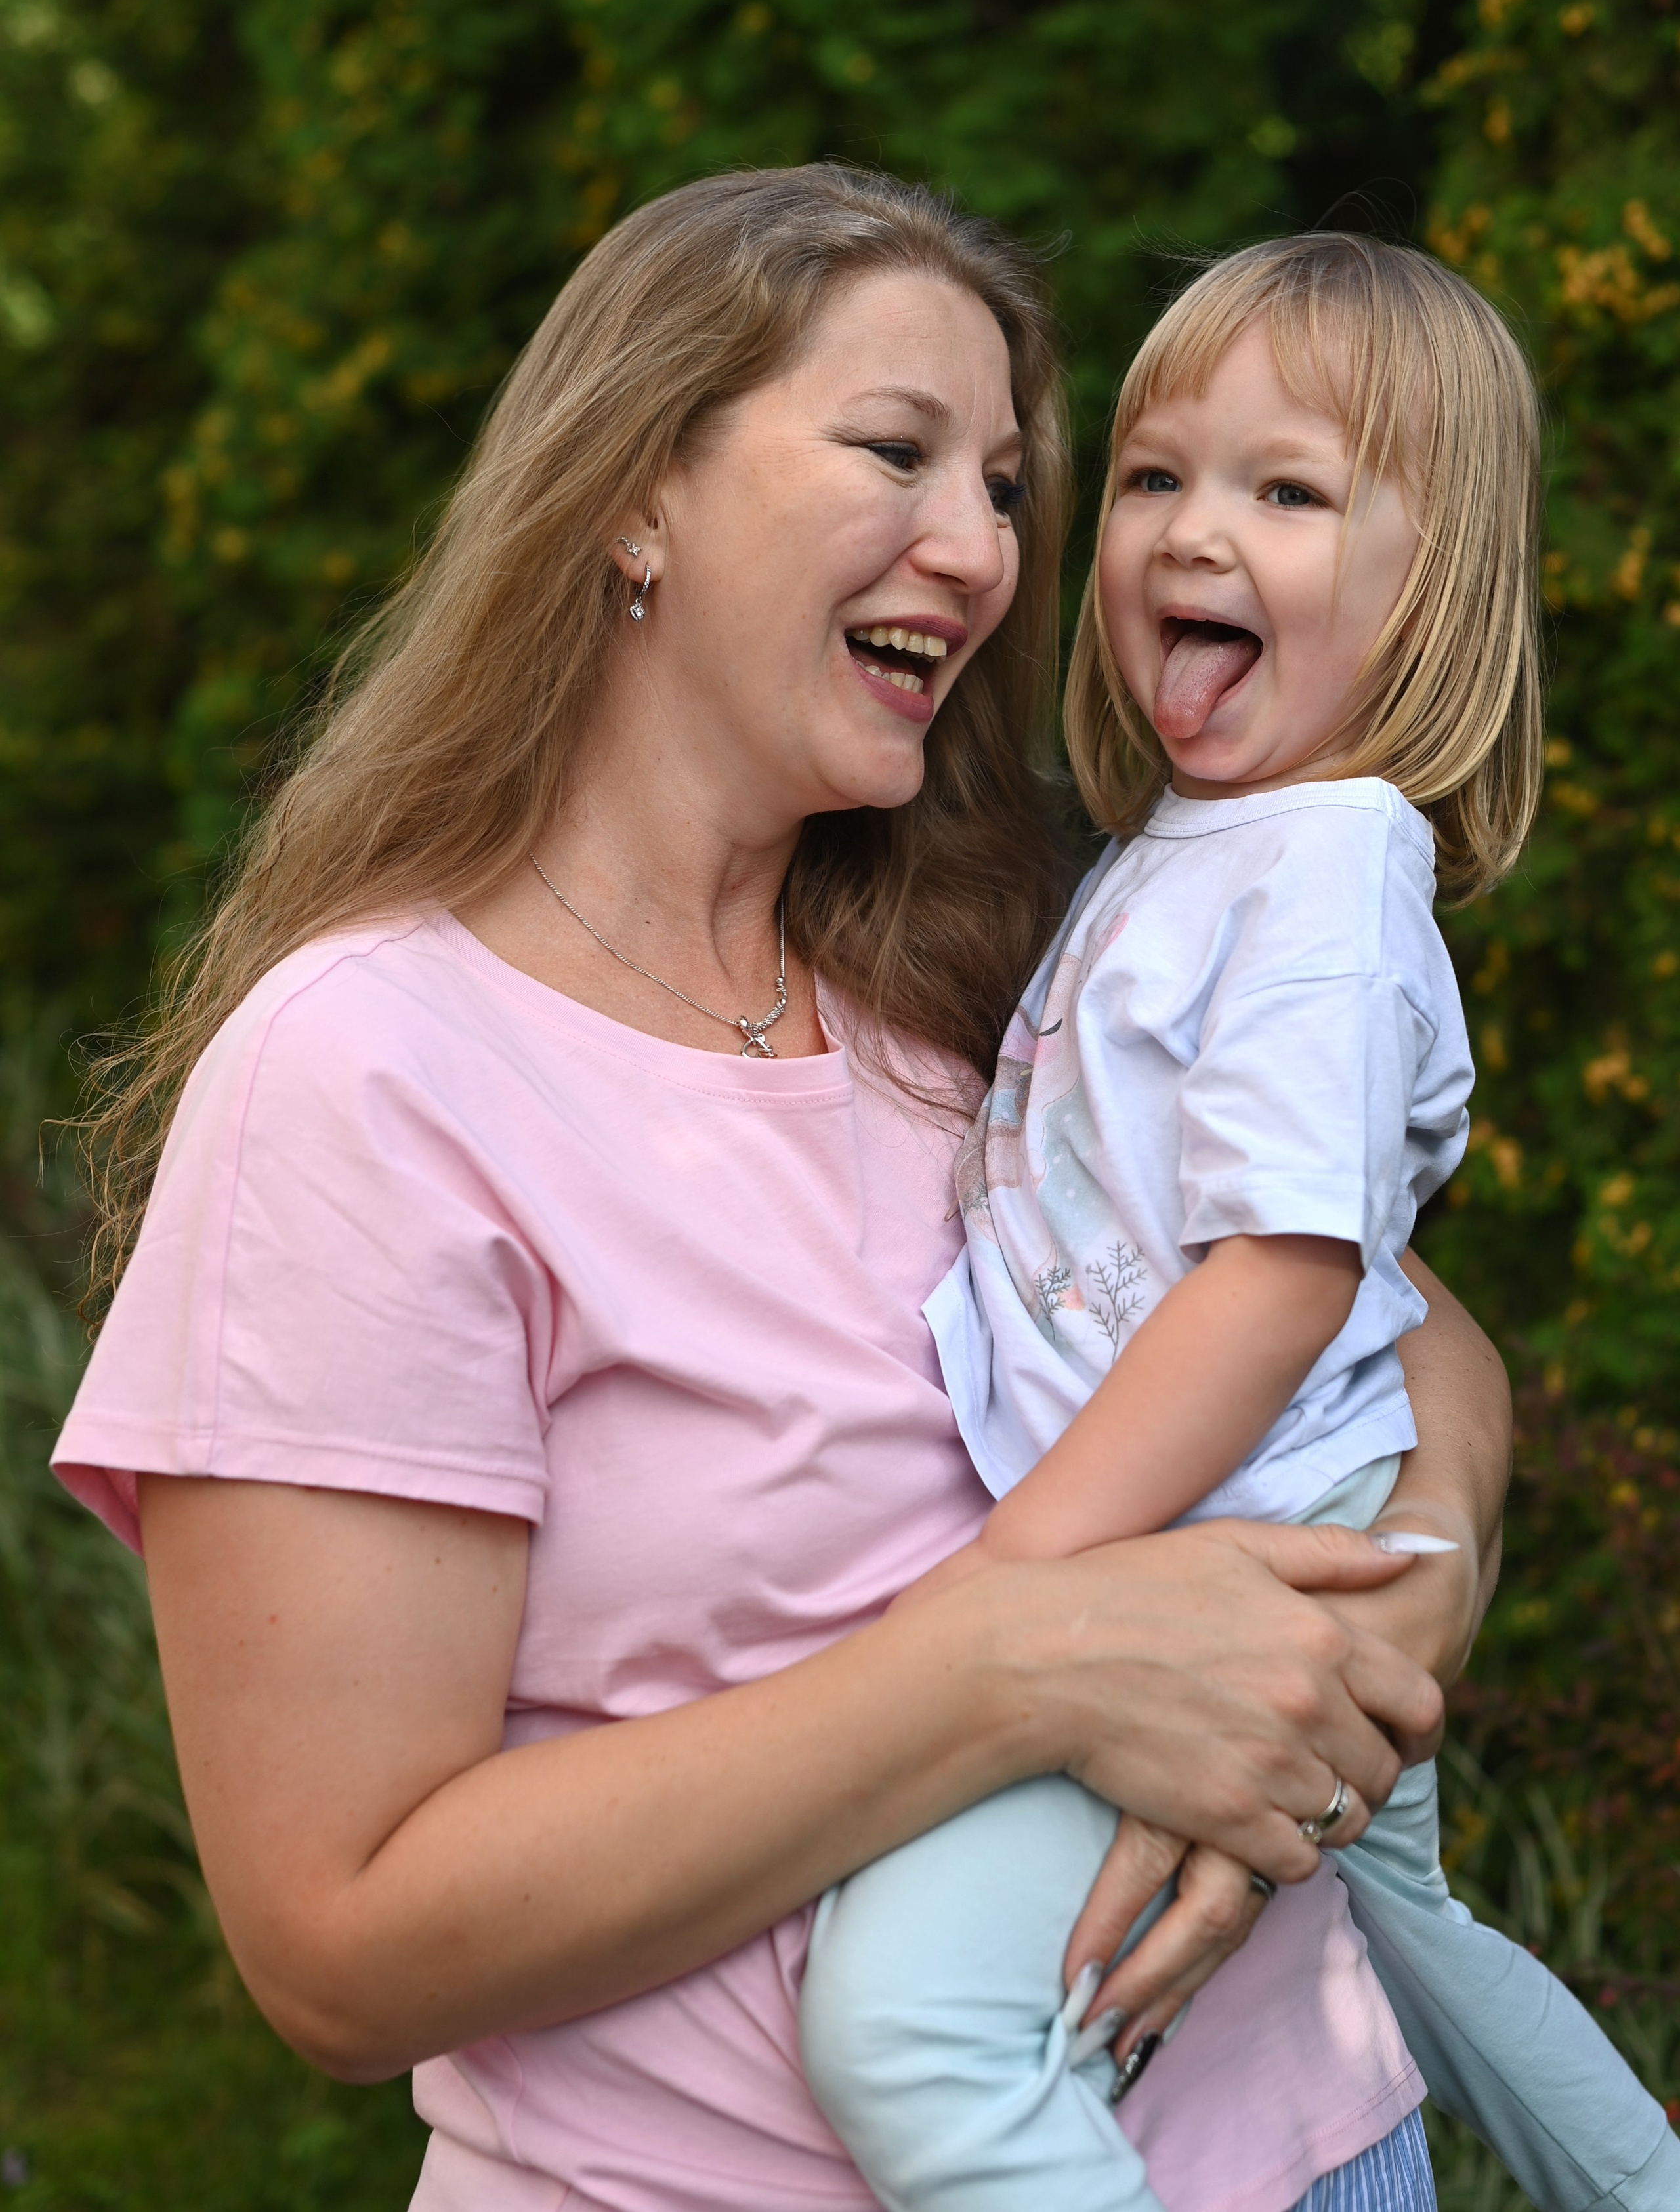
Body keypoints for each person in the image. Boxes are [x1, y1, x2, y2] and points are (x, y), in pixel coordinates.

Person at [53, 169, 1509, 2212]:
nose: (986, 548)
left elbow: (1401, 1321)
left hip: (1318, 2144)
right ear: (636, 491)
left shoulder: (1000, 954)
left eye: (1006, 484)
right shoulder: (370, 1077)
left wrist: (1401, 1592)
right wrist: (1017, 1659)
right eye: (898, 451)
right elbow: (336, 1943)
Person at [799, 235, 1679, 2212]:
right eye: (1152, 477)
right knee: (1424, 1925)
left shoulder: (1325, 873)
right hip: (1285, 1518)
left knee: (911, 2023)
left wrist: (1010, 1586)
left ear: (1428, 585)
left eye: (1287, 492)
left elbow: (1285, 1279)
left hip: (1238, 1543)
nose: (1195, 531)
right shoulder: (1202, 848)